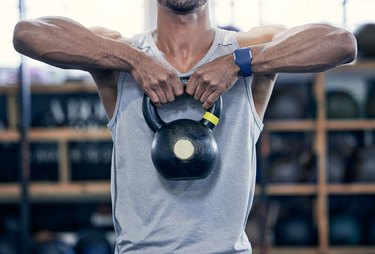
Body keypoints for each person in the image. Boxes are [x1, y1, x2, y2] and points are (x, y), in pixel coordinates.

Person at [13, 0, 357, 253]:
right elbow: (27, 33)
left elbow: (341, 43)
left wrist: (240, 64)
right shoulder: (119, 53)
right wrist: (134, 62)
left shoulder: (249, 49)